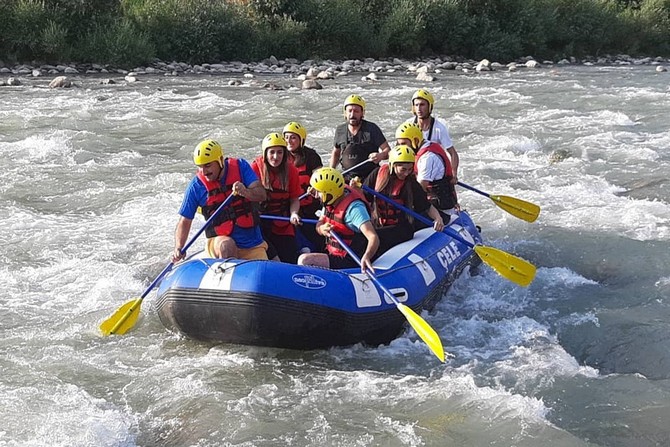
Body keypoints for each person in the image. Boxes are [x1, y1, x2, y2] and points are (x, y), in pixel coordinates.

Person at [171, 139, 268, 263]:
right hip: (220, 241)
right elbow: (185, 220)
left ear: (220, 161)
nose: (204, 172)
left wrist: (246, 192)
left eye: (208, 165)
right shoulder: (196, 186)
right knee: (227, 246)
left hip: (251, 243)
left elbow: (261, 195)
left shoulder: (241, 167)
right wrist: (179, 247)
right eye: (200, 167)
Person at [361, 145, 445, 257]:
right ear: (392, 166)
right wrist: (355, 189)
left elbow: (426, 206)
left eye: (410, 169)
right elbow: (363, 197)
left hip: (401, 229)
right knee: (362, 236)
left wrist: (438, 218)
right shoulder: (377, 174)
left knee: (373, 238)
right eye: (403, 169)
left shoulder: (411, 183)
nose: (406, 173)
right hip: (379, 224)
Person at [298, 167, 379, 273]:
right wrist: (322, 229)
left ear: (330, 193)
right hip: (332, 249)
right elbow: (320, 223)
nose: (316, 195)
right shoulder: (330, 198)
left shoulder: (355, 210)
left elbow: (373, 237)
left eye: (319, 192)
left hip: (349, 258)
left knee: (304, 260)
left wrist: (367, 256)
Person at [251, 132, 302, 263]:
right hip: (260, 222)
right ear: (265, 154)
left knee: (290, 259)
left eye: (280, 152)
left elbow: (294, 199)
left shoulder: (291, 170)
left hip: (282, 221)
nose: (275, 157)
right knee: (273, 257)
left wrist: (294, 214)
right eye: (272, 152)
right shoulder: (256, 168)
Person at [395, 122, 459, 222]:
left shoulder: (428, 158)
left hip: (440, 211)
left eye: (403, 144)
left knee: (402, 221)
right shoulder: (424, 147)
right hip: (429, 204)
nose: (401, 148)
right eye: (399, 144)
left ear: (415, 141)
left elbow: (420, 189)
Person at [283, 121, 324, 252]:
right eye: (287, 137)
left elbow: (320, 178)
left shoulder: (311, 156)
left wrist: (316, 187)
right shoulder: (281, 156)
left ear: (301, 140)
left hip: (310, 206)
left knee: (314, 236)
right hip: (291, 206)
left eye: (293, 137)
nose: (289, 141)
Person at [331, 94, 391, 181]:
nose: (352, 115)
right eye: (350, 111)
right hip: (347, 176)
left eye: (356, 111)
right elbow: (336, 153)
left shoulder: (372, 129)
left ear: (362, 113)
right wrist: (331, 171)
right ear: (345, 113)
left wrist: (380, 156)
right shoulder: (340, 130)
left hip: (370, 177)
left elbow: (388, 151)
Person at [407, 89, 460, 183]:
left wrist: (454, 174)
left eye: (422, 105)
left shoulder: (439, 128)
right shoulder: (408, 125)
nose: (419, 108)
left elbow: (452, 153)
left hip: (432, 169)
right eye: (416, 105)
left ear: (430, 106)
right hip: (413, 168)